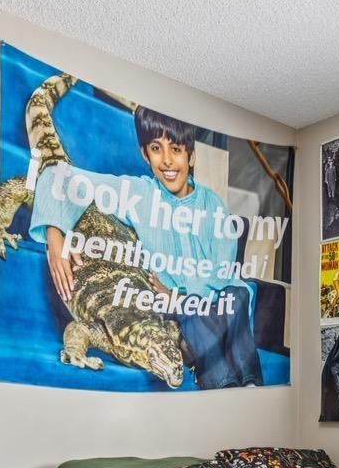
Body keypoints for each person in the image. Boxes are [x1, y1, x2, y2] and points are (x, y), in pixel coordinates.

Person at [30, 104, 262, 389]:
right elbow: (58, 176)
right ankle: (220, 386)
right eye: (156, 148)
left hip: (205, 302)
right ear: (144, 154)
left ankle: (249, 383)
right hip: (174, 312)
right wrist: (55, 236)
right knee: (191, 319)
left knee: (237, 294)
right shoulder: (138, 193)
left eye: (176, 149)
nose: (166, 161)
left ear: (191, 156)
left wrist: (178, 296)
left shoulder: (213, 205)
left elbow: (222, 272)